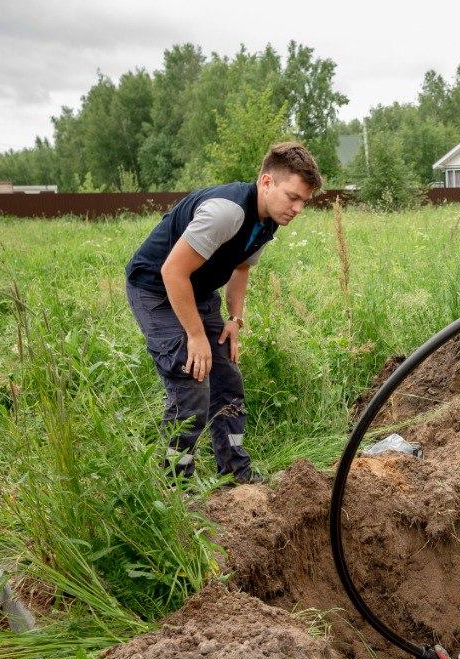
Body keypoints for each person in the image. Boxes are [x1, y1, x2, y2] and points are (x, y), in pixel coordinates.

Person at [124, 141, 321, 483]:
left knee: (227, 381)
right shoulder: (225, 212)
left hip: (196, 290)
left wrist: (234, 319)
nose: (298, 208)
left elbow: (240, 267)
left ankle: (234, 474)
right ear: (266, 182)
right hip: (155, 288)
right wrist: (196, 336)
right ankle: (176, 485)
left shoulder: (267, 221)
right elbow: (172, 272)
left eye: (305, 201)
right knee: (192, 379)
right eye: (293, 197)